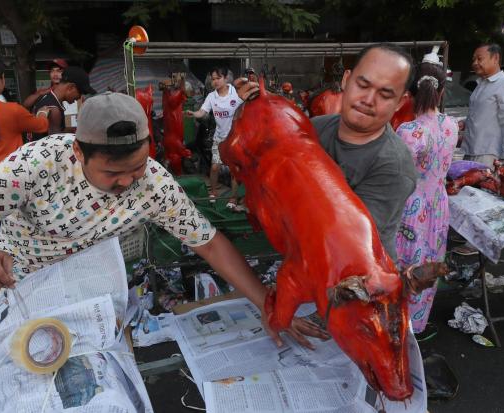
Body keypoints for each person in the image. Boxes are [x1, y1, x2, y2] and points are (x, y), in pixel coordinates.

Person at [0, 91, 328, 349]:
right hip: (26, 289)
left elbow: (208, 242)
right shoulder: (40, 162)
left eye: (137, 167)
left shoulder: (154, 183)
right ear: (78, 152)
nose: (127, 182)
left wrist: (267, 303)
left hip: (95, 296)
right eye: (112, 174)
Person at [236, 44, 418, 263]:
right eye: (363, 84)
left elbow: (342, 238)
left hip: (355, 280)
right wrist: (256, 107)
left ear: (399, 102)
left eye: (385, 94)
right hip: (304, 261)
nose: (368, 99)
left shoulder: (394, 166)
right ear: (346, 80)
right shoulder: (316, 127)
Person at [395, 61, 459, 336]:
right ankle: (417, 324)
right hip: (439, 204)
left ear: (409, 94)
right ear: (441, 92)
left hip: (412, 207)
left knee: (407, 265)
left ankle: (399, 323)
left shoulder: (407, 132)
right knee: (430, 262)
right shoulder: (452, 126)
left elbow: (397, 177)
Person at [186, 67, 243, 210]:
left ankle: (233, 198)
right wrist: (193, 113)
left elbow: (248, 104)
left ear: (225, 78)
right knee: (215, 167)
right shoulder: (212, 96)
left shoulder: (235, 93)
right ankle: (213, 192)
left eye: (218, 78)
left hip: (235, 139)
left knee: (234, 170)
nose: (215, 81)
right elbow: (202, 112)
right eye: (213, 79)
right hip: (219, 138)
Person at [461, 43, 504, 168]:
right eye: (474, 59)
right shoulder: (481, 84)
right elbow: (481, 115)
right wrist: (464, 123)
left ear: (496, 58)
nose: (475, 63)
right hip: (471, 149)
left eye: (480, 58)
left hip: (489, 154)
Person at [29, 66, 96, 141]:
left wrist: (72, 129)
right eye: (80, 92)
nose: (79, 98)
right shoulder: (54, 110)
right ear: (71, 87)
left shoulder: (46, 96)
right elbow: (56, 143)